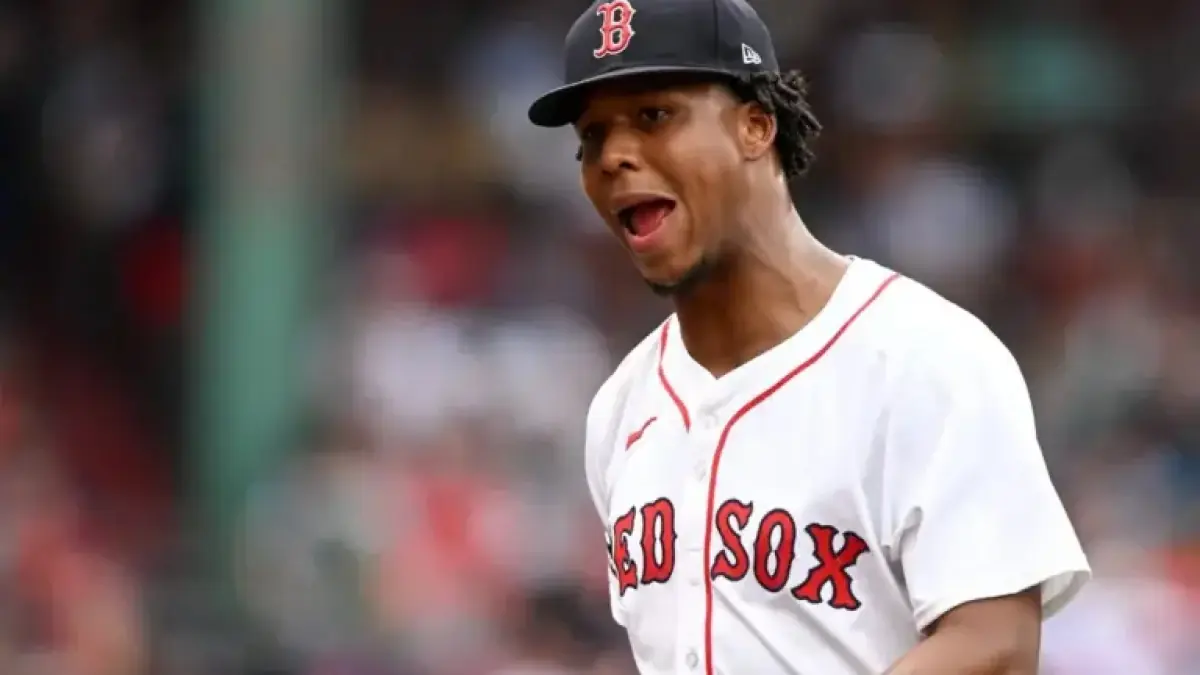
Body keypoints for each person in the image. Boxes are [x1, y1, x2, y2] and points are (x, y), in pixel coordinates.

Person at [527, 0, 1091, 673]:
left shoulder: (926, 359)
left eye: (654, 116)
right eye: (592, 136)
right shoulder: (620, 410)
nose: (615, 156)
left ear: (755, 126)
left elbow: (996, 646)